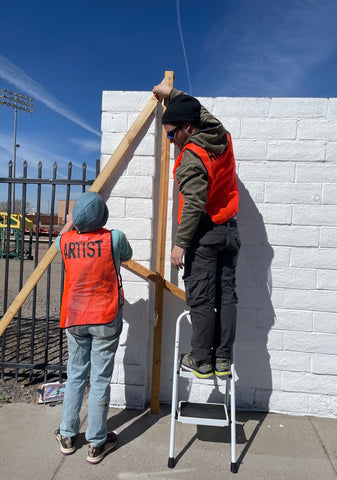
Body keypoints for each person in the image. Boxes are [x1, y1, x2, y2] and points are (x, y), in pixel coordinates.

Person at [153, 82, 241, 379]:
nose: (169, 140)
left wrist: (180, 244)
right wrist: (170, 94)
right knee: (226, 297)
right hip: (230, 232)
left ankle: (201, 360)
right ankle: (223, 360)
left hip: (205, 233)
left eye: (171, 133)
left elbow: (194, 203)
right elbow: (200, 110)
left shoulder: (191, 157)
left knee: (201, 297)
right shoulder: (221, 135)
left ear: (188, 128)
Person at [54, 191, 132, 464]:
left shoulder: (65, 242)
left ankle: (67, 436)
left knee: (75, 376)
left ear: (76, 218)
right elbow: (127, 254)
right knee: (100, 380)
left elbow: (58, 239)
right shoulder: (114, 238)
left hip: (75, 318)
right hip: (106, 317)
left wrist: (69, 222)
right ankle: (97, 443)